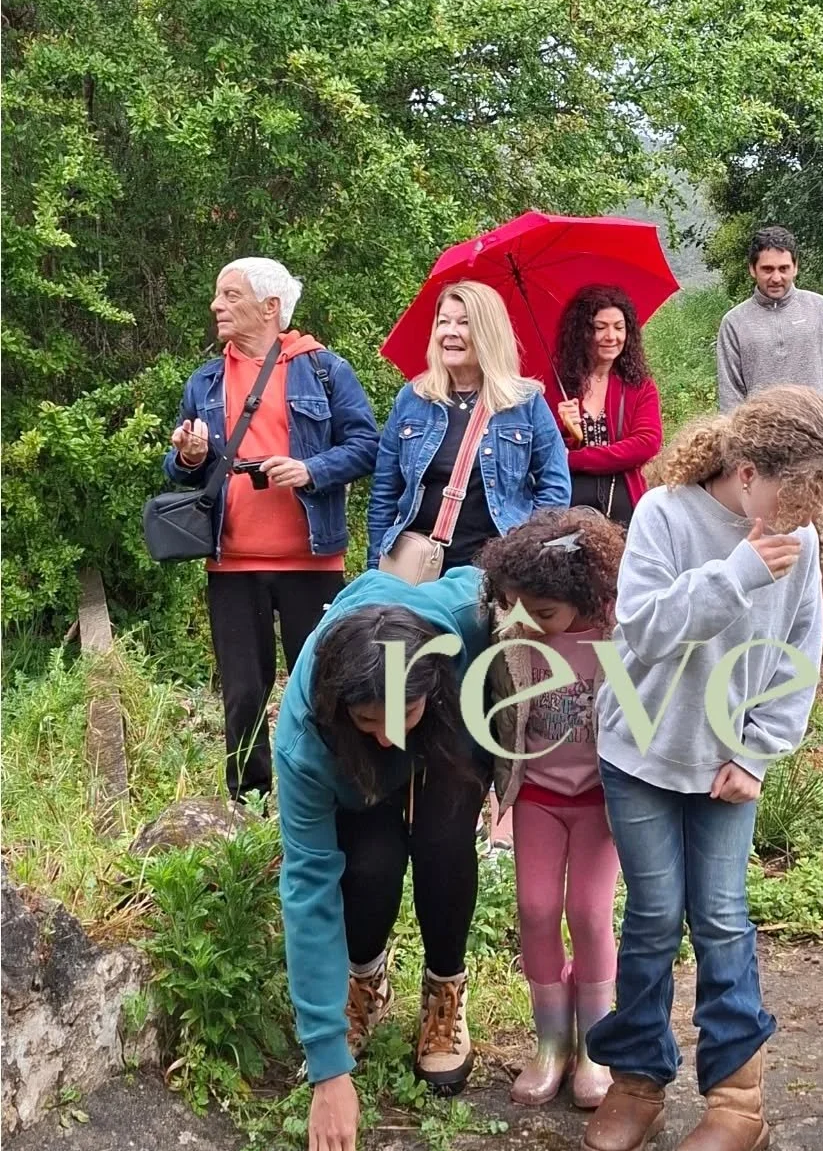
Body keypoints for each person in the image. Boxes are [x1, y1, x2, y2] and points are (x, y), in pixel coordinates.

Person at [579, 385, 823, 1151]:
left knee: (723, 915)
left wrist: (760, 751)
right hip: (642, 753)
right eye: (795, 496)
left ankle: (738, 1097)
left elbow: (798, 656)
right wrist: (734, 574)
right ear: (745, 473)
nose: (805, 517)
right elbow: (643, 630)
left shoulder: (800, 543)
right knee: (655, 915)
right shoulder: (668, 516)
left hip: (730, 764)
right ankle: (636, 1079)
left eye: (817, 502)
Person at [276, 565, 494, 1151]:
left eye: (404, 711)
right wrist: (327, 1068)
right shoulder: (305, 742)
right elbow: (309, 887)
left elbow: (496, 584)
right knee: (368, 865)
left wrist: (505, 759)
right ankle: (365, 987)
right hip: (352, 769)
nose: (392, 733)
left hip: (447, 740)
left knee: (445, 845)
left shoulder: (454, 625)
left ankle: (444, 995)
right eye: (375, 719)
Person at [166, 257, 380, 801]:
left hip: (312, 562)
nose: (217, 305)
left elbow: (368, 447)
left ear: (270, 307)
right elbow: (183, 468)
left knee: (322, 688)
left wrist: (311, 469)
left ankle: (325, 794)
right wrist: (189, 456)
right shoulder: (205, 380)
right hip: (232, 564)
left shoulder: (326, 370)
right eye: (218, 294)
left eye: (230, 295)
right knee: (243, 694)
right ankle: (249, 804)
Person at [481, 508, 627, 1109]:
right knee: (536, 908)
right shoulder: (513, 635)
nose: (530, 622)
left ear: (583, 595)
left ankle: (596, 1045)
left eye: (544, 613)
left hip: (600, 798)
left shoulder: (620, 633)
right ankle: (549, 1043)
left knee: (590, 913)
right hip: (537, 793)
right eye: (518, 608)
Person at [715, 226, 823, 670]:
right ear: (752, 270)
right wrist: (741, 452)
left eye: (784, 267)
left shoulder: (820, 311)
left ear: (796, 266)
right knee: (767, 533)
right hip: (764, 452)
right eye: (767, 269)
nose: (776, 277)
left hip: (818, 445)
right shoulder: (735, 323)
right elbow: (731, 396)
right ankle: (769, 633)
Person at [366, 281, 570, 575]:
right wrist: (375, 568)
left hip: (496, 570)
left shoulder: (524, 402)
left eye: (464, 323)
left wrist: (529, 554)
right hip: (418, 569)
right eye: (443, 322)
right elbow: (385, 491)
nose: (450, 332)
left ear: (488, 333)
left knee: (505, 623)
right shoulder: (412, 399)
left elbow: (555, 489)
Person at [546, 285, 664, 528]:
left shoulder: (639, 385)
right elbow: (542, 452)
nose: (612, 336)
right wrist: (564, 428)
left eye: (619, 327)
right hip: (565, 506)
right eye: (600, 328)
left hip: (624, 503)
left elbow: (646, 443)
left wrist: (575, 458)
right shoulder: (556, 385)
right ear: (581, 332)